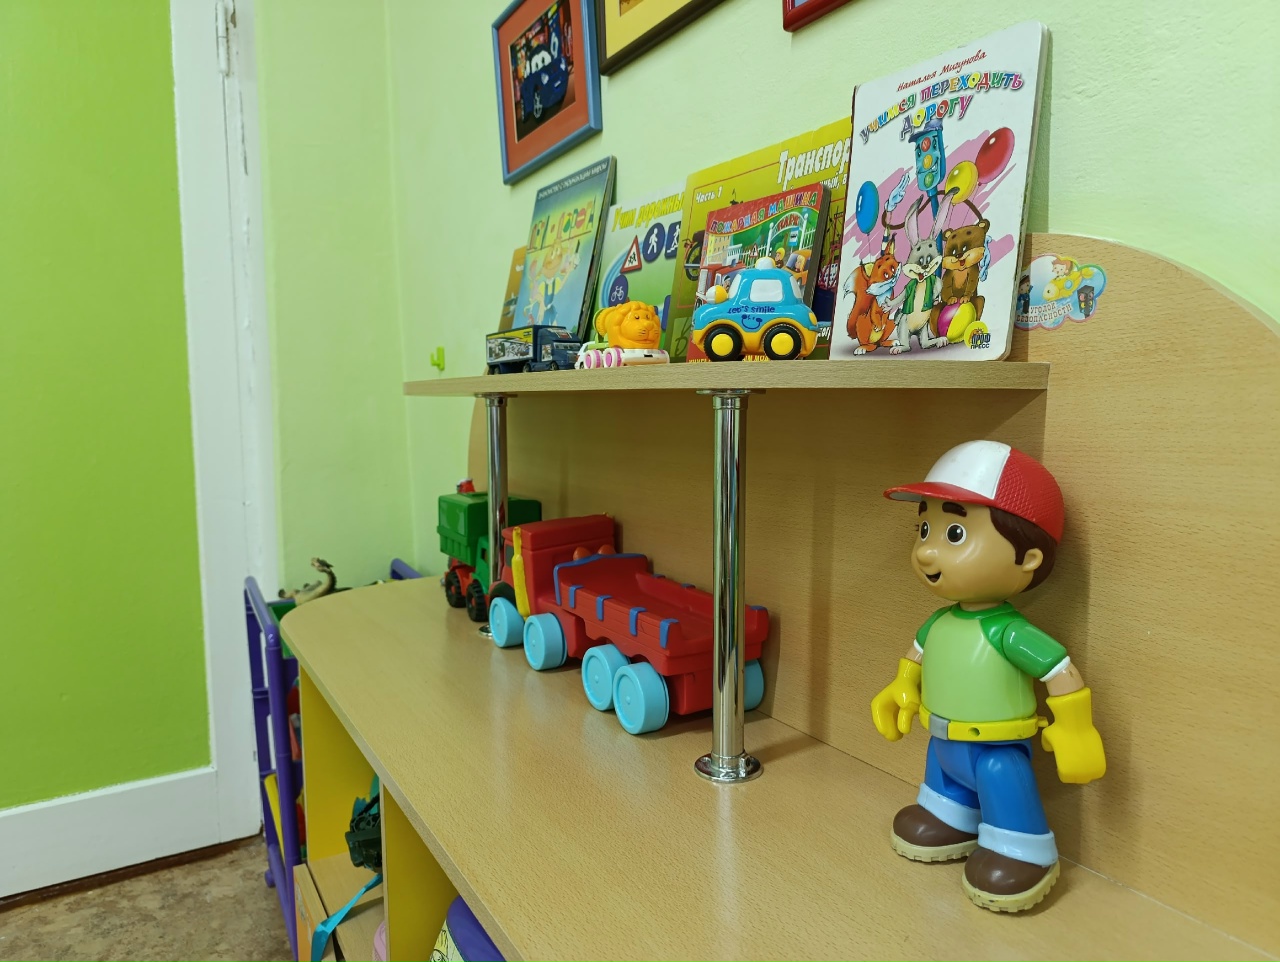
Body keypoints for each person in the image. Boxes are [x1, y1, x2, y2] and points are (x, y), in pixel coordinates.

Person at [871, 440, 1105, 912]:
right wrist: (901, 687)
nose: (926, 551)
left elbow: (1060, 670)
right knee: (941, 777)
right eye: (924, 529)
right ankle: (949, 816)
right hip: (942, 743)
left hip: (996, 750)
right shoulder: (940, 622)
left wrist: (1076, 728)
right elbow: (916, 657)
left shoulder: (1010, 632)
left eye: (955, 534)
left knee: (1003, 782)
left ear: (1029, 558)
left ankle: (1021, 850)